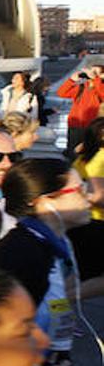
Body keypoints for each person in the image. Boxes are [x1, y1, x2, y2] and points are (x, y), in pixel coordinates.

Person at [0, 159, 98, 366]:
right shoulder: (22, 254)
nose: (90, 197)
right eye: (80, 190)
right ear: (44, 202)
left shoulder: (54, 241)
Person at [70, 117, 104, 283]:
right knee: (92, 277)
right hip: (97, 222)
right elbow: (98, 197)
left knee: (81, 273)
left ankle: (57, 304)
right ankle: (60, 303)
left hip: (80, 220)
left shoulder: (82, 158)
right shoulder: (101, 159)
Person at [55, 64, 104, 154]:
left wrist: (95, 79)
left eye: (95, 72)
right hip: (75, 124)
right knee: (72, 152)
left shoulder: (101, 87)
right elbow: (61, 93)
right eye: (91, 71)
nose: (91, 73)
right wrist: (71, 80)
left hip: (93, 126)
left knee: (89, 152)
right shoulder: (82, 87)